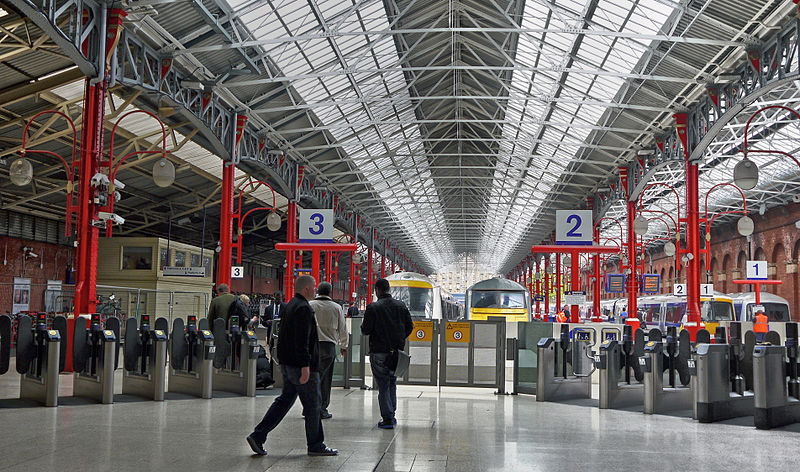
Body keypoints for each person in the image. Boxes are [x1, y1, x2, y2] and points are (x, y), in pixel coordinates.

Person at [246, 275, 337, 457]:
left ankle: (258, 435)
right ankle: (316, 445)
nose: (315, 290)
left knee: (285, 400)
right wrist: (305, 366)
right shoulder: (303, 308)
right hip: (302, 366)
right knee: (313, 405)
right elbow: (302, 340)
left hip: (289, 363)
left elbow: (286, 337)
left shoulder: (290, 306)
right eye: (313, 287)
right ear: (306, 289)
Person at [361, 278, 414, 429]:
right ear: (388, 289)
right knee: (392, 382)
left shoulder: (373, 307)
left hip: (378, 351)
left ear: (377, 290)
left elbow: (365, 330)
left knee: (383, 385)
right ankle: (392, 414)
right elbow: (410, 326)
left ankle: (388, 418)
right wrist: (399, 339)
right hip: (396, 352)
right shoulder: (401, 305)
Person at [309, 282, 349, 419]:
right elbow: (343, 329)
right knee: (325, 380)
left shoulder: (310, 305)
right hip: (328, 348)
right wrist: (344, 346)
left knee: (312, 377)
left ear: (318, 291)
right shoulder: (336, 308)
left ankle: (309, 408)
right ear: (330, 292)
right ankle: (321, 409)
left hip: (311, 346)